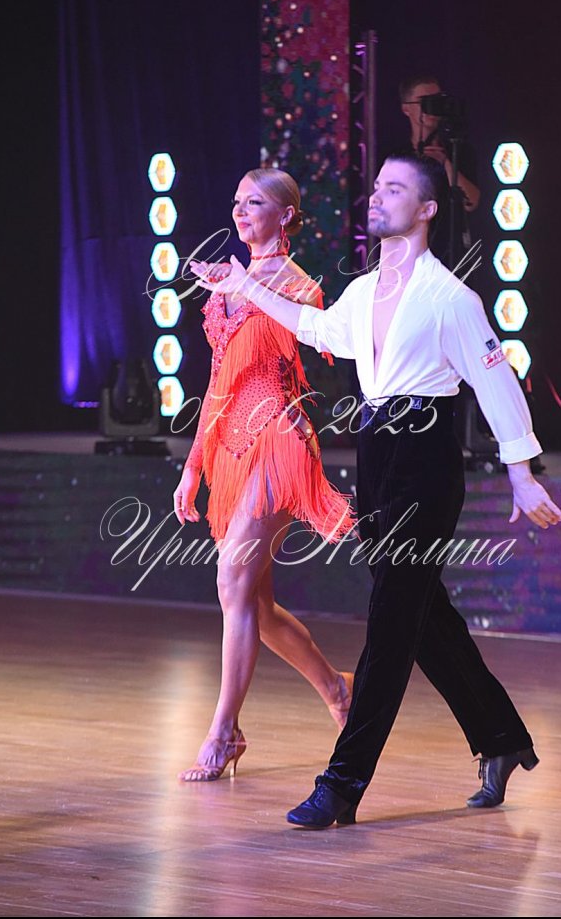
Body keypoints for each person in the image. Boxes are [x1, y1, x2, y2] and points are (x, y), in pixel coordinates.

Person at [190, 153, 561, 823]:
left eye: (394, 189)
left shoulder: (452, 299)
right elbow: (313, 328)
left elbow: (494, 379)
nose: (377, 196)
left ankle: (342, 783)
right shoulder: (363, 293)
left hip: (425, 455)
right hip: (377, 450)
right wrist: (244, 284)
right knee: (424, 617)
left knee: (391, 622)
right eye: (377, 187)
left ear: (425, 209)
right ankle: (502, 737)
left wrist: (520, 470)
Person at [174, 167, 356, 782]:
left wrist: (244, 284)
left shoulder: (297, 286)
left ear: (286, 216)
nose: (240, 210)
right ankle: (337, 690)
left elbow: (304, 342)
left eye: (255, 202)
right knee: (255, 600)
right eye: (237, 200)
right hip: (230, 444)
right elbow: (217, 381)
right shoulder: (225, 285)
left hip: (278, 437)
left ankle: (224, 730)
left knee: (231, 581)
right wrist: (193, 466)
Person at [399, 72, 479, 262]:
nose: (431, 108)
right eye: (424, 102)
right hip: (409, 254)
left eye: (436, 101)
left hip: (452, 254)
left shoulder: (459, 149)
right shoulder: (398, 156)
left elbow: (472, 201)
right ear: (406, 109)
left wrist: (446, 163)